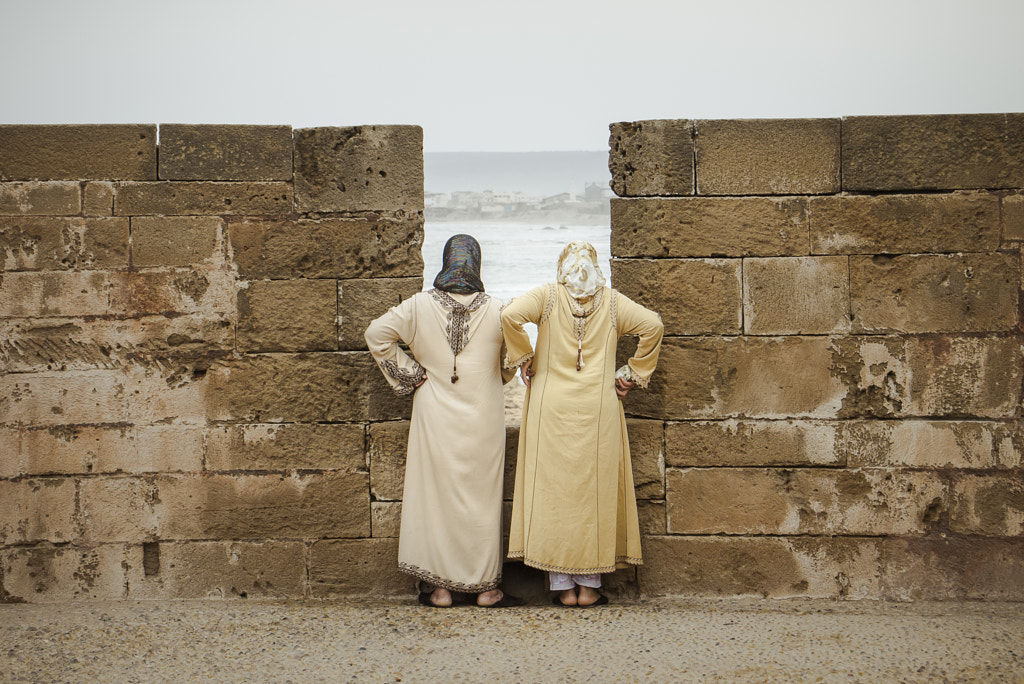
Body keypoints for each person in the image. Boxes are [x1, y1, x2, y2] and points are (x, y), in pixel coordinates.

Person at [500, 240, 664, 607]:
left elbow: (509, 315)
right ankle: (589, 588)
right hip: (598, 410)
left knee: (555, 492)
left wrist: (523, 356)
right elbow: (653, 325)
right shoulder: (613, 301)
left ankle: (562, 586)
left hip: (551, 408)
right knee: (594, 493)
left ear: (563, 267)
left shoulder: (547, 295)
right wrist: (631, 374)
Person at [365, 234, 521, 608]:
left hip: (433, 412)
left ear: (446, 261)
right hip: (483, 416)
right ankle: (486, 589)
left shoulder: (417, 306)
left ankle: (440, 590)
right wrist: (496, 374)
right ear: (476, 265)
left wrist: (412, 374)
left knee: (437, 498)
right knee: (481, 499)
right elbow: (513, 362)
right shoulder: (500, 310)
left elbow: (376, 334)